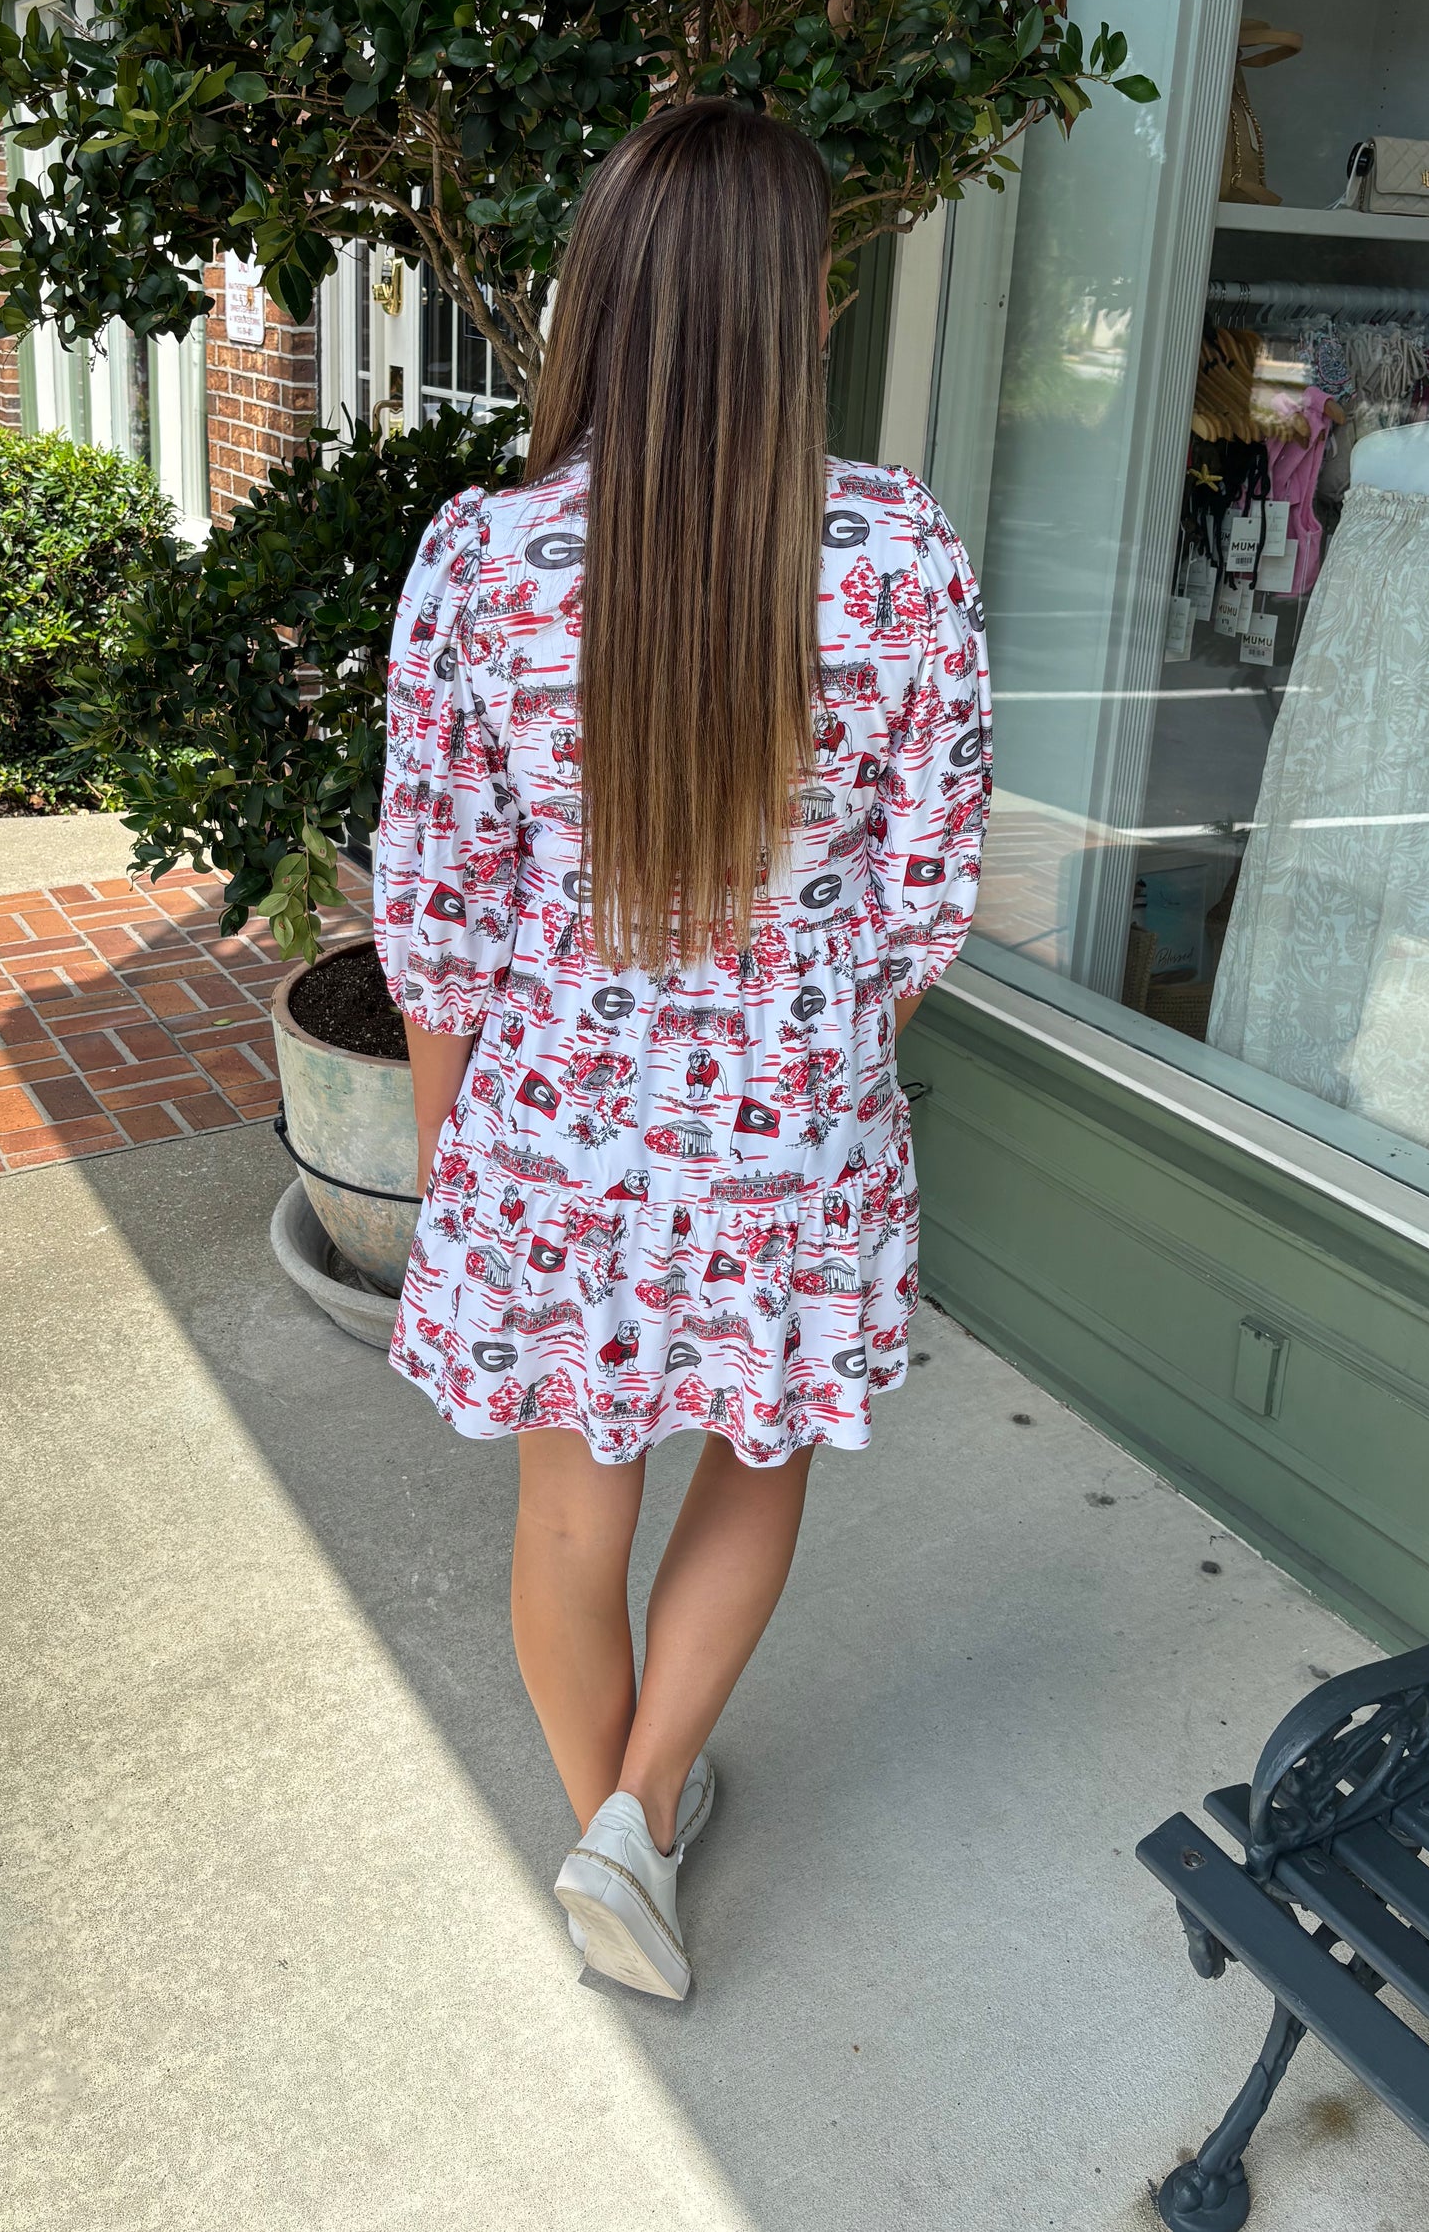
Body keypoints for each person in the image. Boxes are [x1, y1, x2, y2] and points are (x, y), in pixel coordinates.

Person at [373, 98, 991, 2001]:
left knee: (571, 1504)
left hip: (550, 1120)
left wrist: (448, 1154)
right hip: (787, 1119)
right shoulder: (895, 553)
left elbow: (436, 907)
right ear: (789, 308)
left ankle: (613, 1841)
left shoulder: (480, 560)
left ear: (602, 298)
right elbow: (920, 898)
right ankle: (639, 1818)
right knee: (760, 1446)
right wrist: (802, 1034)